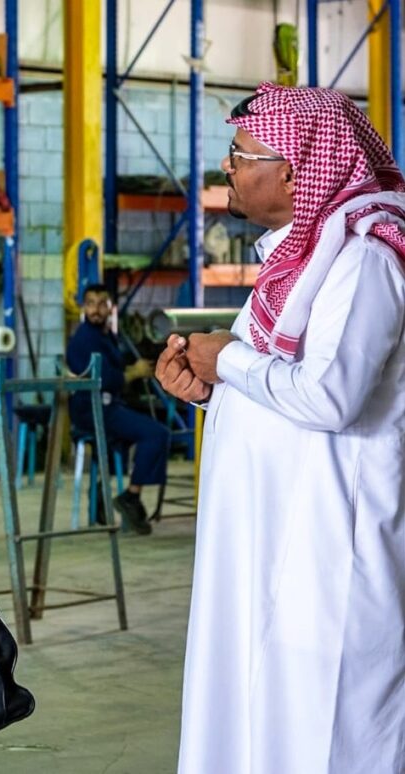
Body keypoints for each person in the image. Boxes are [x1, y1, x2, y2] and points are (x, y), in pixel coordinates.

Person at [155, 83, 405, 773]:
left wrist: (229, 361)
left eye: (240, 154)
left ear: (295, 170)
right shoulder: (301, 259)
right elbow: (276, 386)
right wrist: (209, 390)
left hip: (330, 549)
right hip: (273, 540)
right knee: (264, 720)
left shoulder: (363, 260)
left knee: (329, 726)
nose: (228, 167)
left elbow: (330, 397)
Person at [66, 283, 168, 534]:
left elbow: (113, 368)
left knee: (128, 438)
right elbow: (102, 378)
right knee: (157, 434)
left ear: (111, 307)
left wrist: (135, 368)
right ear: (83, 307)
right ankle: (131, 496)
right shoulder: (84, 339)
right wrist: (134, 372)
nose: (96, 309)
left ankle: (101, 494)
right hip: (93, 411)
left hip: (108, 407)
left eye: (102, 303)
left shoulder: (106, 335)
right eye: (91, 303)